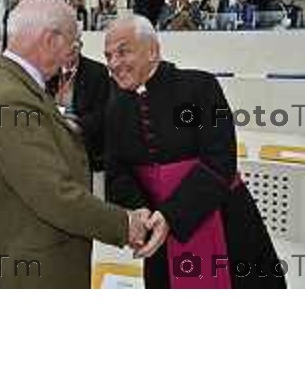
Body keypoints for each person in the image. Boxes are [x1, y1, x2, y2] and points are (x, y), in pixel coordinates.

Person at [0, 0, 154, 289]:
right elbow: (54, 195)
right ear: (50, 40)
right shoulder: (9, 99)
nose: (71, 53)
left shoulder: (15, 85)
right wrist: (125, 224)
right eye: (72, 43)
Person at [103, 15, 286, 289]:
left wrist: (171, 215)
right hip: (159, 230)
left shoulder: (201, 87)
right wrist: (138, 209)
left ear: (152, 50)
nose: (113, 64)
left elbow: (220, 161)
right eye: (108, 56)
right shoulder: (116, 109)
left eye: (123, 52)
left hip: (223, 219)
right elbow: (118, 172)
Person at [46, 32, 110, 172]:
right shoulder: (48, 70)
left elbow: (101, 113)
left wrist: (75, 126)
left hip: (83, 138)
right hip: (54, 136)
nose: (70, 53)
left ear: (80, 47)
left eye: (74, 48)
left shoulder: (97, 72)